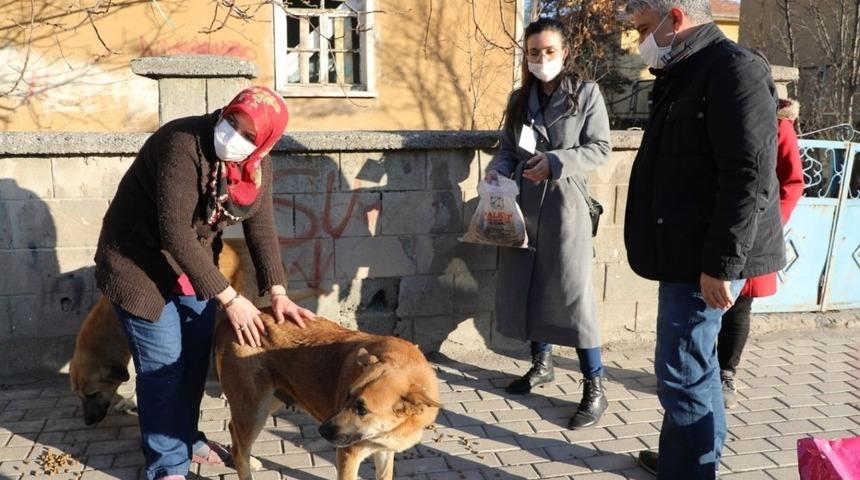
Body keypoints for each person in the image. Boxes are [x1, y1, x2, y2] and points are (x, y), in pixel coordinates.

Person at [94, 86, 316, 480]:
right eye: (233, 121)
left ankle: (187, 437)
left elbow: (260, 227)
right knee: (163, 366)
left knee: (194, 361)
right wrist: (231, 298)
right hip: (136, 263)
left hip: (193, 269)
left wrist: (277, 291)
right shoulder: (182, 143)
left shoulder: (257, 164)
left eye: (249, 134)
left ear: (262, 143)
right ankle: (167, 465)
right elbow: (175, 233)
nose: (234, 135)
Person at [622, 0, 786, 478]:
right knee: (697, 371)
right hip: (685, 252)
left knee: (682, 375)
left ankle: (689, 466)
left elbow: (750, 177)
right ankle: (693, 455)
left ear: (676, 18)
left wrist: (721, 265)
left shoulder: (734, 70)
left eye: (644, 29)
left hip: (703, 260)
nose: (638, 42)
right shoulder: (686, 70)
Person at [485, 18, 611, 430]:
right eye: (534, 52)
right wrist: (497, 172)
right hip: (523, 208)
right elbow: (507, 149)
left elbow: (600, 148)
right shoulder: (520, 99)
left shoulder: (586, 94)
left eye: (549, 52)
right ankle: (541, 364)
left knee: (574, 297)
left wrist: (556, 162)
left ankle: (595, 385)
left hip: (566, 208)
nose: (541, 59)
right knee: (530, 288)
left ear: (565, 53)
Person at [719, 98, 804, 408]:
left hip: (754, 233)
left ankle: (725, 372)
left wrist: (765, 222)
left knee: (739, 307)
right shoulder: (720, 114)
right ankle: (698, 372)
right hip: (713, 226)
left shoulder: (779, 125)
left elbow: (793, 182)